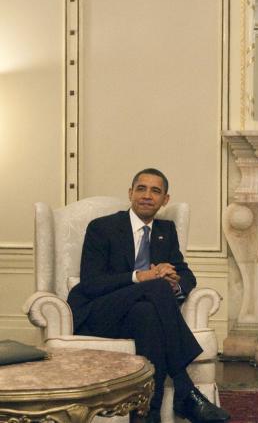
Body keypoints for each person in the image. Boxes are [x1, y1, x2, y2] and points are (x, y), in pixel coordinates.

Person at [67, 168, 230, 423]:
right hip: (99, 312)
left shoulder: (166, 229)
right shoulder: (103, 227)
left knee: (148, 313)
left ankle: (146, 414)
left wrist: (174, 282)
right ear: (130, 193)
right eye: (141, 189)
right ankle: (184, 388)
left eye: (156, 191)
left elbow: (186, 275)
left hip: (137, 315)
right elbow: (91, 283)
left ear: (165, 199)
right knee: (156, 286)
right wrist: (139, 276)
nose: (147, 195)